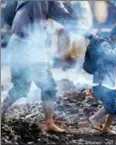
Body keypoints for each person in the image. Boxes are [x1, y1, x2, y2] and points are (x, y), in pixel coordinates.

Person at [1, 1, 86, 133]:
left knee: (48, 87)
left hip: (32, 46)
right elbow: (32, 25)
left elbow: (66, 18)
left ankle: (48, 123)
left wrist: (89, 34)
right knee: (22, 88)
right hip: (23, 45)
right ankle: (2, 113)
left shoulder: (52, 2)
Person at [87, 24, 116, 134]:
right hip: (101, 83)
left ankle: (105, 128)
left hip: (109, 83)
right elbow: (112, 57)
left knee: (115, 106)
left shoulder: (115, 45)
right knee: (113, 105)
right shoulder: (104, 44)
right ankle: (94, 119)